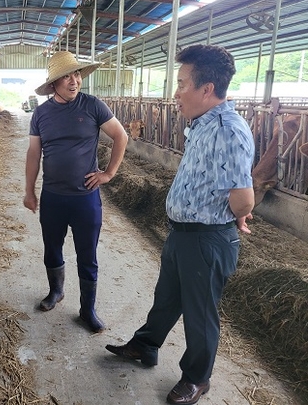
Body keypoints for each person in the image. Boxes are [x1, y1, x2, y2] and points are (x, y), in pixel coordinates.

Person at [105, 44, 255, 404]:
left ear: (207, 89)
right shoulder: (203, 124)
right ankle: (145, 346)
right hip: (184, 233)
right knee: (167, 298)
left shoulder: (229, 130)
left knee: (200, 313)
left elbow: (244, 199)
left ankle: (197, 378)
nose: (176, 92)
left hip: (207, 238)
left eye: (182, 83)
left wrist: (240, 212)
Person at [23, 51, 128, 333]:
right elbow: (33, 153)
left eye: (77, 74)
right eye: (67, 77)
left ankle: (87, 309)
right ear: (54, 84)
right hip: (53, 196)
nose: (74, 81)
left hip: (86, 198)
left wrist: (109, 173)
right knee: (52, 248)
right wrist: (29, 191)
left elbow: (121, 135)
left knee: (87, 254)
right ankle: (56, 291)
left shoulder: (92, 105)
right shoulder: (41, 113)